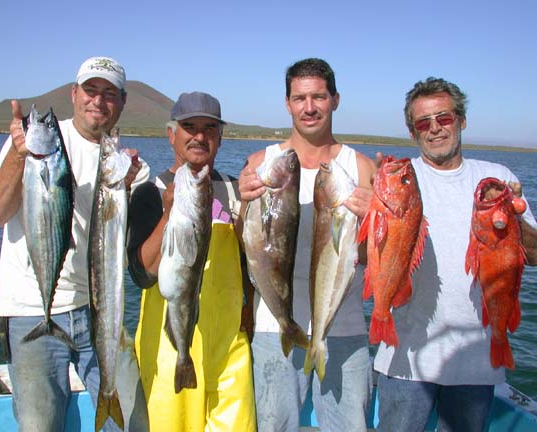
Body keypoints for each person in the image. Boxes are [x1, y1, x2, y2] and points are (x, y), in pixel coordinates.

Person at [0, 56, 149, 431]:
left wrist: (126, 191)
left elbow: (139, 251)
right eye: (90, 90)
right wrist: (19, 155)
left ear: (122, 102)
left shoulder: (130, 166)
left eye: (109, 94)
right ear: (74, 94)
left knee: (134, 424)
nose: (98, 101)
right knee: (39, 425)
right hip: (29, 311)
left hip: (99, 311)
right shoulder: (35, 141)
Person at [373, 77, 537, 432]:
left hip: (475, 365)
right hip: (405, 361)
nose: (434, 129)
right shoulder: (401, 176)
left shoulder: (498, 178)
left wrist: (515, 220)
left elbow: (533, 256)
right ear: (412, 131)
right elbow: (371, 251)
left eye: (444, 118)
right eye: (423, 123)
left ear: (461, 120)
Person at [239, 58, 377, 432]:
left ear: (335, 99)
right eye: (300, 98)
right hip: (275, 325)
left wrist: (375, 221)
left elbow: (373, 257)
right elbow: (247, 249)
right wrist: (242, 205)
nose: (309, 107)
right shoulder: (260, 163)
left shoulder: (360, 167)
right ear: (287, 103)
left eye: (319, 96)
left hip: (344, 326)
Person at [127, 91, 257, 431]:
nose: (199, 136)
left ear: (220, 137)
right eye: (189, 126)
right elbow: (141, 274)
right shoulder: (149, 193)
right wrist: (169, 213)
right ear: (171, 134)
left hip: (229, 348)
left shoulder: (235, 192)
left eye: (209, 128)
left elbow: (249, 264)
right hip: (170, 348)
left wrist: (251, 306)